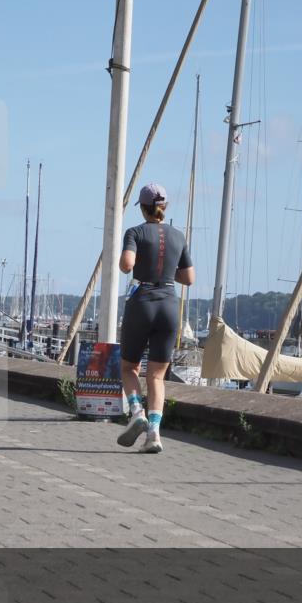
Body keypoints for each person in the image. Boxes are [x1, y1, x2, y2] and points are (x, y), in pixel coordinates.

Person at [116, 183, 194, 453]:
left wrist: (138, 261)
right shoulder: (178, 236)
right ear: (165, 207)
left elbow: (127, 264)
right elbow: (189, 278)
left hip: (143, 303)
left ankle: (136, 411)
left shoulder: (135, 232)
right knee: (157, 377)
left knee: (129, 368)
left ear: (143, 207)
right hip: (169, 305)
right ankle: (154, 434)